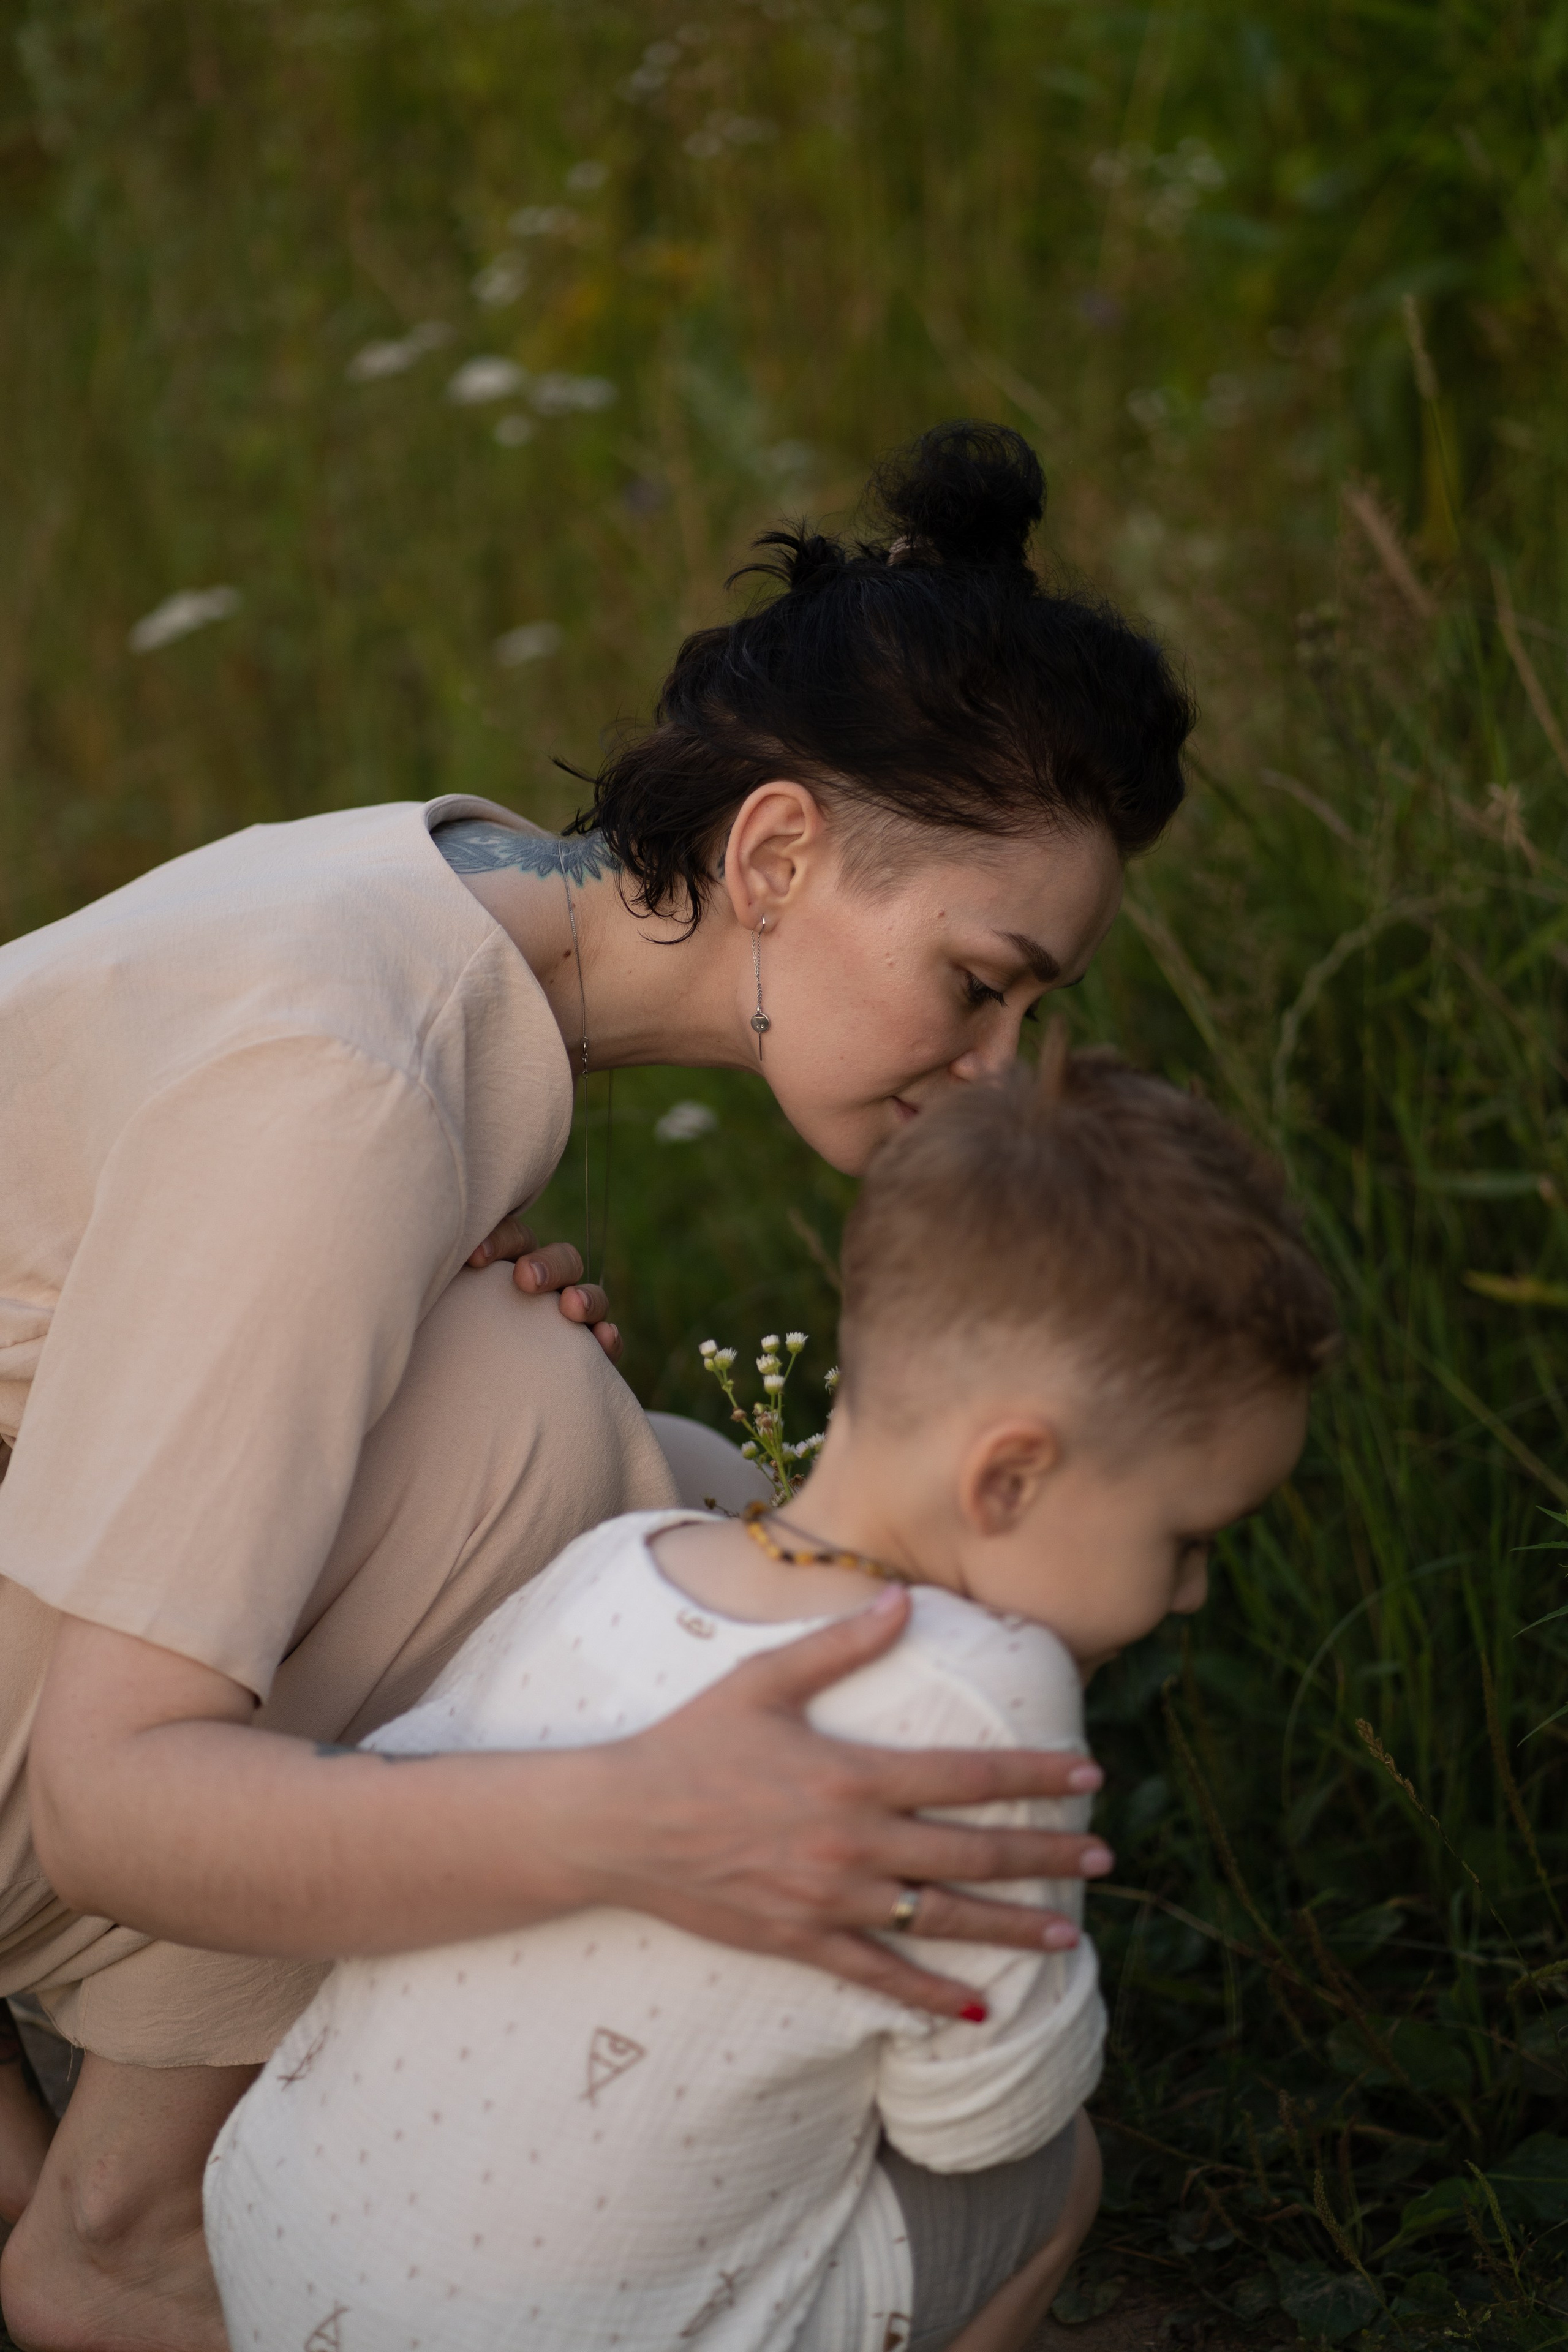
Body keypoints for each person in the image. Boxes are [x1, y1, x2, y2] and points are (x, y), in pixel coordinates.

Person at [0, 423, 1192, 2351]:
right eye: (982, 984)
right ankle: (131, 2231)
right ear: (780, 850)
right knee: (529, 1435)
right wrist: (633, 1819)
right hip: (63, 1762)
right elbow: (107, 1806)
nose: (996, 1072)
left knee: (692, 1500)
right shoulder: (350, 1079)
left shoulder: (447, 893)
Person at [205, 1044, 1336, 2352]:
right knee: (1053, 2173)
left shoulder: (614, 1559)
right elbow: (984, 2116)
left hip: (280, 2261)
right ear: (1008, 1481)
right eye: (1183, 1540)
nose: (1190, 1594)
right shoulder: (986, 1687)